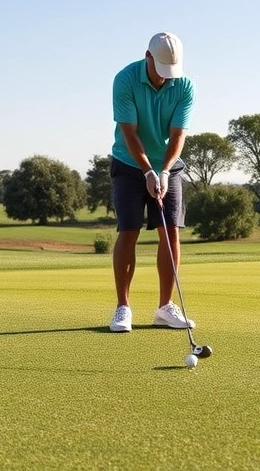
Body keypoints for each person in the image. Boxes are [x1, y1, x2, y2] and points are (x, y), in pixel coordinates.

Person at [108, 31, 196, 333]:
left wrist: (165, 170)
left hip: (167, 167)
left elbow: (178, 135)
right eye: (159, 72)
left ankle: (164, 308)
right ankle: (123, 308)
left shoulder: (184, 85)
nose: (163, 79)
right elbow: (130, 133)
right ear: (147, 57)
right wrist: (147, 171)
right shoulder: (125, 80)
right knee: (129, 231)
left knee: (171, 232)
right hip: (128, 162)